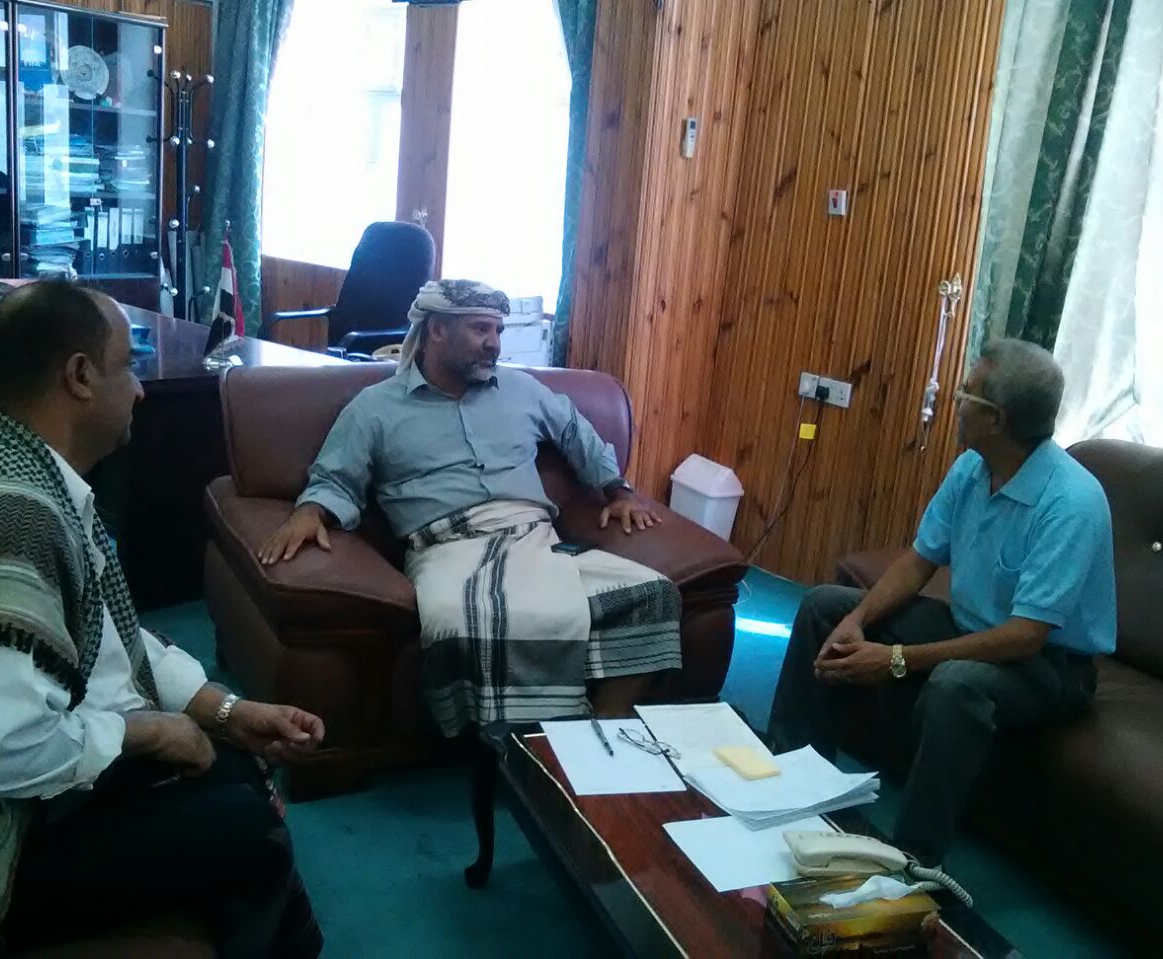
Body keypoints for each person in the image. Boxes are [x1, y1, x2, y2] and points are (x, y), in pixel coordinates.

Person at [0, 281, 324, 957]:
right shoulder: (9, 519)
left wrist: (225, 710)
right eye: (129, 366)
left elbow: (106, 635)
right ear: (81, 376)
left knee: (235, 767)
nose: (140, 390)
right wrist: (150, 732)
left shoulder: (32, 477)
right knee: (240, 825)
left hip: (28, 786)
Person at [258, 279, 682, 737]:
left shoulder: (523, 389)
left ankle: (604, 727)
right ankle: (512, 747)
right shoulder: (375, 408)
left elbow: (577, 435)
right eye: (481, 329)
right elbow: (336, 476)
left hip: (537, 541)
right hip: (448, 548)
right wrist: (310, 511)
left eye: (498, 330)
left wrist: (618, 491)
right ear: (437, 330)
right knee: (459, 622)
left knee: (653, 594)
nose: (494, 343)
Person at [768, 339, 1115, 866]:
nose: (955, 401)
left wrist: (896, 659)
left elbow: (1025, 636)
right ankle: (794, 775)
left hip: (1050, 664)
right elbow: (918, 561)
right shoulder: (972, 467)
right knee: (825, 607)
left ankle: (913, 860)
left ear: (996, 419)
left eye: (966, 393)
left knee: (955, 684)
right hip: (972, 625)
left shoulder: (1072, 504)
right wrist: (858, 619)